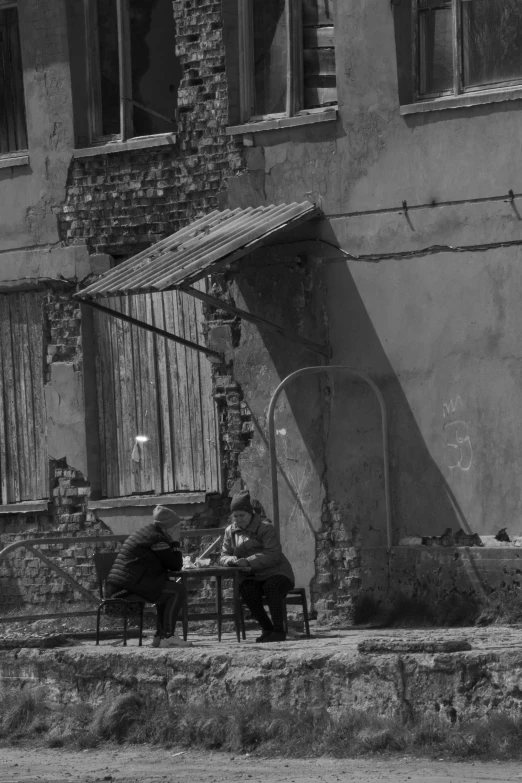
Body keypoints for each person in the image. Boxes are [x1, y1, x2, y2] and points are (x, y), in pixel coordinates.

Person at [106, 504, 192, 648]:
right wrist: (176, 542)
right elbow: (175, 565)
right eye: (178, 528)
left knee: (167, 588)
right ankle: (168, 635)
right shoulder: (157, 539)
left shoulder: (149, 534)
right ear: (170, 528)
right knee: (177, 591)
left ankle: (160, 636)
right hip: (123, 590)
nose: (180, 531)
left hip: (121, 586)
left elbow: (166, 564)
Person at [220, 490, 295, 643]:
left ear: (250, 513)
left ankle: (279, 631)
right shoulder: (230, 531)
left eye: (242, 515)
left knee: (271, 587)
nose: (239, 520)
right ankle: (267, 628)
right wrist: (230, 560)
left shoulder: (264, 528)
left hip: (278, 572)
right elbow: (223, 555)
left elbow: (273, 554)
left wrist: (248, 561)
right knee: (246, 589)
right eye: (236, 516)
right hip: (254, 576)